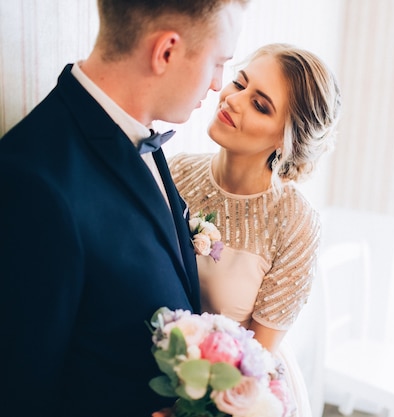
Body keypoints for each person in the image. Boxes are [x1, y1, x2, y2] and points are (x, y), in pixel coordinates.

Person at [0, 1, 248, 416]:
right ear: (165, 52)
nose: (217, 84)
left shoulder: (137, 131)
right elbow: (20, 394)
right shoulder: (33, 183)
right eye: (217, 63)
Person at [168, 43, 341, 416]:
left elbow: (259, 354)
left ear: (286, 138)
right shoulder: (177, 172)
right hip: (162, 363)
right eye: (239, 83)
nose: (233, 100)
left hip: (239, 389)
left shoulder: (295, 221)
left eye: (260, 105)